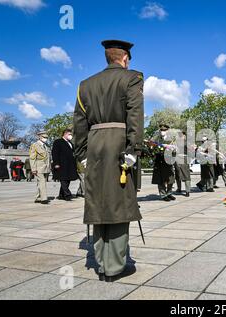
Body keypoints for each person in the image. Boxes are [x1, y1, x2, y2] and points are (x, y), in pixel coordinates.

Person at [73, 39, 144, 282]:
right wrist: (133, 149)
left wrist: (81, 154)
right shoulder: (132, 78)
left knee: (98, 203)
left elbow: (79, 124)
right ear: (124, 58)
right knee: (119, 204)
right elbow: (135, 114)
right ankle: (114, 266)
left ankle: (101, 262)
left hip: (94, 146)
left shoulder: (85, 85)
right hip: (118, 144)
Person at [52, 129, 78, 201]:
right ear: (65, 134)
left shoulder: (70, 143)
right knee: (63, 179)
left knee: (67, 179)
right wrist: (56, 163)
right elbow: (55, 153)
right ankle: (67, 195)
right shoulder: (58, 142)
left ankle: (61, 195)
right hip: (62, 164)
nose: (71, 136)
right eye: (69, 134)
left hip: (70, 165)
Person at [151, 124, 176, 201]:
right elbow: (151, 144)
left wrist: (171, 148)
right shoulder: (156, 137)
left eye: (164, 130)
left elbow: (176, 147)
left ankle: (169, 192)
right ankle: (163, 194)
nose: (163, 131)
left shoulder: (171, 138)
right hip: (159, 158)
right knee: (160, 177)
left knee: (170, 177)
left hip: (168, 158)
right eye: (161, 130)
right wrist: (156, 145)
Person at [29, 131, 51, 204]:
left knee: (40, 182)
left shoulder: (47, 146)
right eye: (44, 137)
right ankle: (44, 198)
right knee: (42, 182)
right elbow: (32, 158)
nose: (46, 139)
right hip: (39, 167)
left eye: (47, 137)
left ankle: (38, 197)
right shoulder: (35, 145)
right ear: (40, 137)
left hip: (46, 167)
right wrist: (33, 169)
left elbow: (48, 158)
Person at [174, 131, 192, 197]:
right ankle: (183, 190)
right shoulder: (179, 142)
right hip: (180, 158)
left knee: (182, 174)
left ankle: (183, 190)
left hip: (181, 158)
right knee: (181, 174)